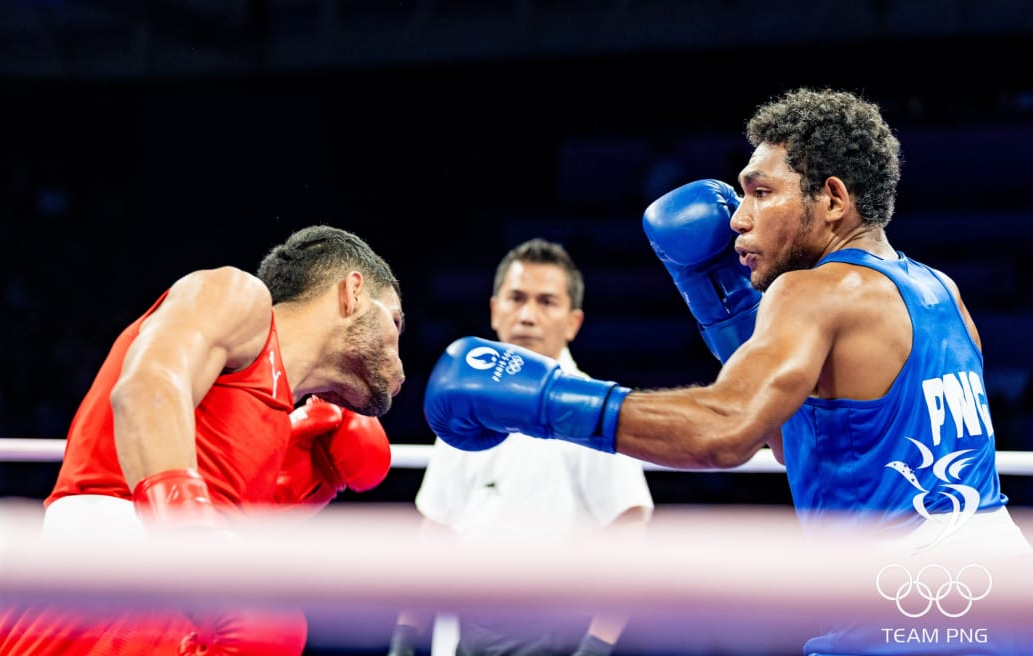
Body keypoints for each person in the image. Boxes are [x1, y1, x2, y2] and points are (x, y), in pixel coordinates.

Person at [422, 88, 1033, 654]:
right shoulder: (938, 290)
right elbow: (802, 446)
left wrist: (543, 399)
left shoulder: (815, 291)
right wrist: (733, 315)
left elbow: (726, 430)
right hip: (1000, 594)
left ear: (833, 199)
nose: (738, 217)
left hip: (909, 607)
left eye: (761, 192)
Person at [0, 225, 405, 656]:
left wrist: (302, 488)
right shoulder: (239, 297)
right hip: (99, 586)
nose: (401, 370)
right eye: (394, 322)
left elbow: (217, 529)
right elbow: (146, 388)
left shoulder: (276, 422)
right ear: (352, 294)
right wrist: (191, 541)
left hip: (174, 608)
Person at [389, 238, 653, 656]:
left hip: (562, 632)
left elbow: (629, 532)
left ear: (573, 322)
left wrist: (596, 646)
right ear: (495, 310)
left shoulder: (588, 405)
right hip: (472, 634)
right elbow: (436, 529)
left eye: (546, 302)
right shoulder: (463, 404)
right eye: (516, 298)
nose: (527, 316)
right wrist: (404, 637)